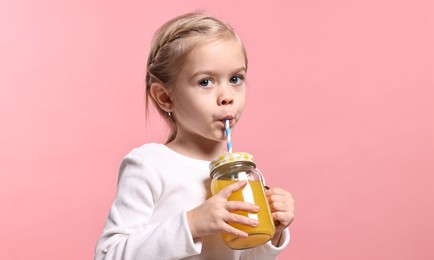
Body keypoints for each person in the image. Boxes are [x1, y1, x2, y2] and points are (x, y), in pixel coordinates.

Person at [95, 12, 295, 259]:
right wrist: (192, 223)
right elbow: (108, 255)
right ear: (166, 98)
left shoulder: (242, 174)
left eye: (235, 79)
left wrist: (272, 233)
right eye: (205, 82)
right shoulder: (150, 165)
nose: (227, 96)